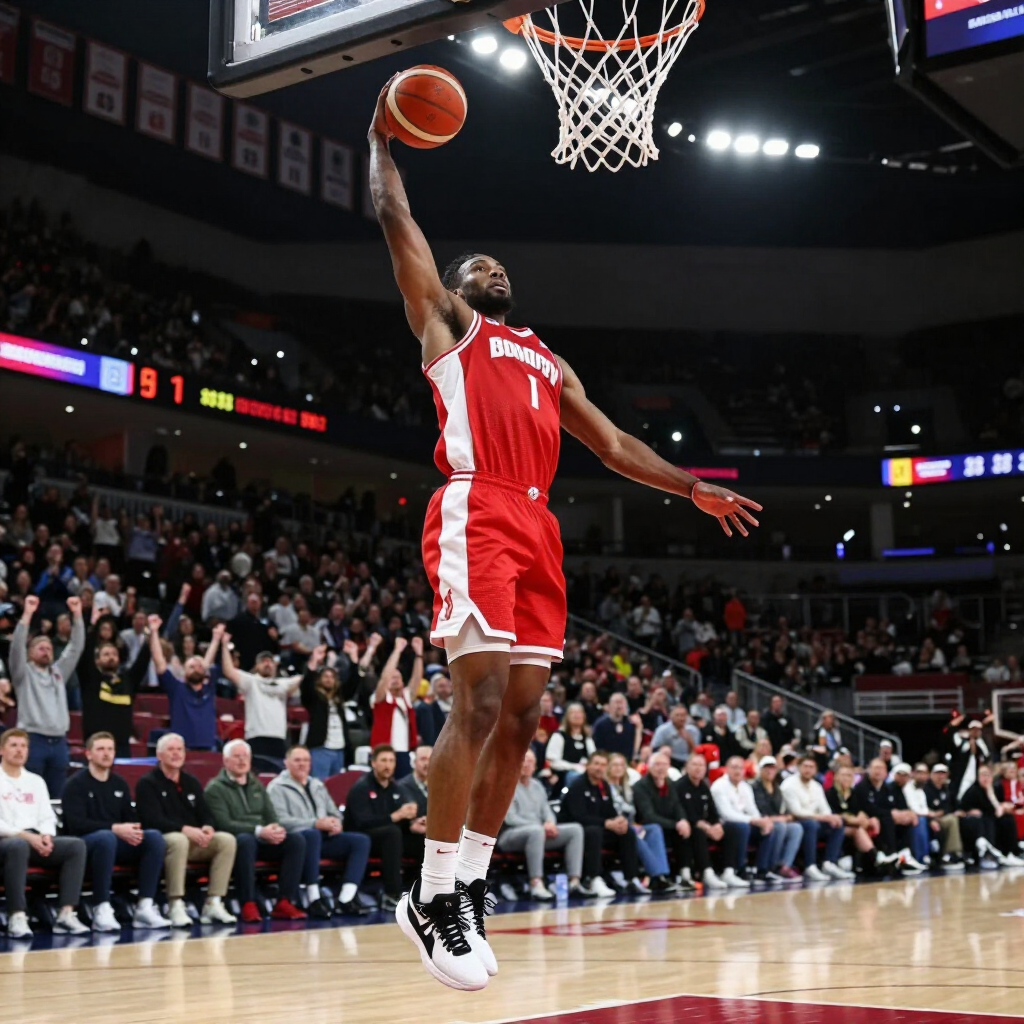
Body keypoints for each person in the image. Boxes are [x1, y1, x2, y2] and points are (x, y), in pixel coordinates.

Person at [369, 87, 763, 991]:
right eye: (480, 264)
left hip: (539, 524)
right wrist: (382, 142)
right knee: (473, 703)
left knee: (524, 716)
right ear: (458, 286)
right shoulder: (449, 326)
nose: (494, 269)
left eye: (501, 265)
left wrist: (692, 486)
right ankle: (427, 894)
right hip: (477, 507)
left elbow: (617, 445)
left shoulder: (547, 358)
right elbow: (397, 220)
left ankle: (467, 884)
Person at [61, 732, 171, 930]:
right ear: (88, 754)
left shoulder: (119, 782)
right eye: (101, 749)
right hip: (84, 843)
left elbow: (130, 816)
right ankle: (101, 907)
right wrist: (114, 828)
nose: (106, 754)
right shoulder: (75, 784)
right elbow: (76, 824)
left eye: (110, 749)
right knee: (106, 838)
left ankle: (145, 906)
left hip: (114, 840)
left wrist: (133, 829)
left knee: (153, 838)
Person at [134, 733, 238, 927]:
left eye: (180, 749)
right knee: (178, 840)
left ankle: (214, 902)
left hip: (193, 840)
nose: (176, 754)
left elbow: (205, 813)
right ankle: (175, 904)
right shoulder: (147, 783)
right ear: (159, 755)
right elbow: (151, 820)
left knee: (226, 840)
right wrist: (184, 829)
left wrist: (207, 827)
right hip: (165, 842)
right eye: (171, 750)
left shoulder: (191, 781)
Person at [203, 739, 308, 922]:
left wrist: (275, 829)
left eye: (246, 757)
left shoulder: (257, 785)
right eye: (237, 756)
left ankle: (284, 901)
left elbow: (271, 816)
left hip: (263, 839)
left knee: (296, 841)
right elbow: (224, 824)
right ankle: (247, 903)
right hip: (237, 843)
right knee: (245, 840)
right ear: (226, 761)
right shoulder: (215, 789)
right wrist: (259, 830)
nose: (242, 761)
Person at [0, 729, 89, 937]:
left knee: (75, 846)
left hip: (35, 839)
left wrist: (47, 835)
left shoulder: (36, 781)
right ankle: (17, 916)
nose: (19, 751)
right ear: (2, 750)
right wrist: (25, 836)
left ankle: (66, 914)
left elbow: (47, 816)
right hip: (7, 841)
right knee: (17, 846)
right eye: (14, 745)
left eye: (24, 746)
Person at [268, 745, 372, 917]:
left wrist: (336, 823)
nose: (302, 764)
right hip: (298, 843)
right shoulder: (277, 787)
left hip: (324, 839)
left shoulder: (317, 785)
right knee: (312, 834)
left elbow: (335, 812)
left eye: (306, 760)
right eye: (297, 760)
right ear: (286, 763)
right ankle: (313, 897)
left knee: (360, 841)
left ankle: (346, 897)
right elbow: (279, 821)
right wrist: (315, 823)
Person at [9, 594, 85, 796]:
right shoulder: (22, 673)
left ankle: (53, 828)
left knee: (57, 795)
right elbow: (16, 648)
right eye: (41, 648)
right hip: (33, 739)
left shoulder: (59, 672)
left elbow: (75, 648)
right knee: (30, 792)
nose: (46, 651)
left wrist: (77, 615)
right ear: (30, 652)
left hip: (59, 741)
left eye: (49, 648)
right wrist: (26, 616)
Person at [497, 748, 589, 900]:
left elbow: (547, 811)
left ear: (535, 766)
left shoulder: (538, 786)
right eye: (524, 760)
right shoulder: (506, 785)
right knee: (536, 832)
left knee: (575, 830)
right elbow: (510, 819)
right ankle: (536, 883)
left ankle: (574, 882)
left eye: (531, 761)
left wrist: (550, 823)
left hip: (538, 832)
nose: (527, 764)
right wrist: (541, 826)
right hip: (510, 836)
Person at [558, 751, 648, 898]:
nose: (600, 768)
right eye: (596, 764)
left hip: (600, 827)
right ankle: (594, 878)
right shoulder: (577, 785)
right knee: (594, 832)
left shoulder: (604, 786)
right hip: (577, 830)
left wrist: (619, 821)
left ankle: (632, 878)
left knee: (627, 832)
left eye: (603, 765)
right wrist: (606, 823)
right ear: (588, 766)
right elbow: (578, 816)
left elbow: (610, 811)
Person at [344, 744, 417, 911]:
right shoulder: (361, 787)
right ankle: (392, 894)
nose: (388, 765)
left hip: (389, 837)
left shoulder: (395, 788)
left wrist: (414, 822)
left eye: (391, 761)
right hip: (362, 838)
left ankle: (422, 891)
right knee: (392, 833)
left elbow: (402, 818)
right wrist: (395, 816)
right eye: (383, 760)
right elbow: (362, 822)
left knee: (420, 837)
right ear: (373, 763)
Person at [79, 617, 153, 758]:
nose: (111, 657)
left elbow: (142, 662)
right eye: (106, 654)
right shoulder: (90, 679)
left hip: (122, 746)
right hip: (95, 745)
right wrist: (94, 626)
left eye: (114, 654)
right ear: (97, 660)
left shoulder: (128, 681)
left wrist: (151, 633)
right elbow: (86, 654)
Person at [219, 643, 302, 763]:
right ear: (257, 666)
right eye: (263, 661)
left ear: (275, 666)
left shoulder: (283, 684)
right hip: (256, 737)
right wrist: (224, 647)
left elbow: (302, 679)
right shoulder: (251, 682)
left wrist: (314, 663)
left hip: (279, 738)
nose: (267, 664)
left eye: (270, 661)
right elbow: (228, 671)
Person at [149, 616, 221, 751]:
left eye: (199, 666)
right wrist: (154, 632)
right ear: (184, 672)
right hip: (182, 748)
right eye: (191, 667)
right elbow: (159, 662)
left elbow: (208, 662)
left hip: (209, 747)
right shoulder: (176, 688)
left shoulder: (209, 688)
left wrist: (216, 639)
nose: (196, 669)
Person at [779, 754, 853, 881]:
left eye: (811, 767)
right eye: (805, 766)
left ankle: (829, 863)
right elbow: (796, 812)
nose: (808, 770)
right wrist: (823, 817)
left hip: (815, 821)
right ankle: (810, 866)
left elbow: (826, 810)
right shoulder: (789, 784)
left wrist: (831, 817)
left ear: (815, 770)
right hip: (796, 822)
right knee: (811, 824)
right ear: (798, 767)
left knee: (838, 822)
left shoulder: (817, 786)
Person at [709, 756, 774, 888]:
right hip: (723, 826)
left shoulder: (745, 787)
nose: (737, 771)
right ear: (726, 769)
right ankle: (740, 869)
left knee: (769, 827)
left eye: (740, 768)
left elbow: (752, 809)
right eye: (734, 767)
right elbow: (726, 814)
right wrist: (753, 820)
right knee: (742, 827)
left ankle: (761, 870)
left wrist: (761, 821)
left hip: (744, 824)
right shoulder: (719, 786)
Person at [633, 751, 694, 891]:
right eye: (656, 764)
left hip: (667, 826)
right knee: (657, 829)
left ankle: (685, 875)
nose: (660, 768)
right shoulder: (640, 787)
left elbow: (677, 806)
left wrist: (683, 820)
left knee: (690, 829)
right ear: (648, 766)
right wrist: (676, 824)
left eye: (664, 764)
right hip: (646, 829)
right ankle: (660, 877)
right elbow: (648, 816)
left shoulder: (670, 784)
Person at [827, 764, 898, 876]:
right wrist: (855, 820)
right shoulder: (830, 793)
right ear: (836, 777)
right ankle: (876, 856)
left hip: (852, 825)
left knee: (873, 822)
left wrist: (867, 819)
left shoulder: (854, 793)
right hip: (834, 827)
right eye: (844, 775)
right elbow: (835, 815)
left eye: (850, 776)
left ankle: (878, 858)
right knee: (857, 830)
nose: (847, 778)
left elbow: (861, 810)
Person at [674, 753, 730, 890]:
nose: (698, 768)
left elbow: (712, 810)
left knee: (731, 830)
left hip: (704, 826)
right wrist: (706, 827)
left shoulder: (704, 786)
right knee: (696, 831)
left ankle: (730, 871)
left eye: (701, 765)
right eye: (695, 764)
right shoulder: (679, 786)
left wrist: (716, 825)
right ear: (687, 767)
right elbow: (682, 812)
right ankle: (707, 872)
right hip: (685, 826)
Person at [370, 636, 423, 776]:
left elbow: (417, 678)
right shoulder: (381, 697)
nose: (394, 680)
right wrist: (397, 651)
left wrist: (419, 655)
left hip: (404, 751)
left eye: (398, 677)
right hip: (384, 752)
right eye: (392, 678)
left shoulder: (406, 697)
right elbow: (385, 677)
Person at [958, 763, 1024, 866]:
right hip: (974, 823)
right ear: (978, 777)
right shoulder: (972, 791)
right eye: (983, 775)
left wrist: (991, 793)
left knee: (1008, 819)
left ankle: (1010, 853)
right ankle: (986, 854)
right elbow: (961, 810)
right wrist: (969, 812)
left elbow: (997, 810)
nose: (986, 778)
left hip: (990, 818)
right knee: (985, 819)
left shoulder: (994, 789)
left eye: (988, 775)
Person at [750, 756, 804, 883]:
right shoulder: (754, 787)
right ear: (760, 770)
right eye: (767, 768)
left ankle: (785, 866)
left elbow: (783, 809)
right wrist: (781, 818)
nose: (770, 771)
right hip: (759, 821)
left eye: (772, 768)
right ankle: (771, 867)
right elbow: (759, 811)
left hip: (776, 820)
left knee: (796, 828)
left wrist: (787, 816)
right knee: (780, 826)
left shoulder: (777, 788)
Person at [922, 763, 965, 869]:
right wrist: (933, 817)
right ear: (931, 775)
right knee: (952, 820)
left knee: (960, 819)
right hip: (929, 819)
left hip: (943, 818)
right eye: (938, 773)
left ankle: (962, 853)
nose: (941, 776)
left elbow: (950, 807)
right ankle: (951, 853)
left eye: (943, 774)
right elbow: (923, 808)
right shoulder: (926, 789)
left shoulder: (947, 789)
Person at [545, 702, 595, 789]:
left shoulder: (587, 738)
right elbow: (552, 762)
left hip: (586, 774)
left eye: (579, 712)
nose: (577, 715)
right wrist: (574, 767)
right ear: (567, 716)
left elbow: (594, 757)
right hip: (564, 776)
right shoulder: (559, 736)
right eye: (573, 712)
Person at [397, 744, 433, 863]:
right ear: (414, 762)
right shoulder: (402, 786)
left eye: (431, 759)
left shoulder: (441, 785)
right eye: (423, 759)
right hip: (411, 837)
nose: (427, 764)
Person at [592, 693, 640, 762]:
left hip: (627, 762)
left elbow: (635, 746)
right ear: (609, 706)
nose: (619, 706)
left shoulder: (631, 723)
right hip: (607, 763)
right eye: (617, 702)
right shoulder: (600, 724)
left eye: (622, 702)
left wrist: (639, 728)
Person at [651, 705, 701, 770]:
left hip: (687, 760)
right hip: (670, 759)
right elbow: (654, 748)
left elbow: (696, 751)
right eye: (678, 715)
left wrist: (688, 739)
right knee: (665, 750)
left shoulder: (693, 730)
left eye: (683, 715)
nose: (681, 718)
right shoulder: (662, 730)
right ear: (671, 716)